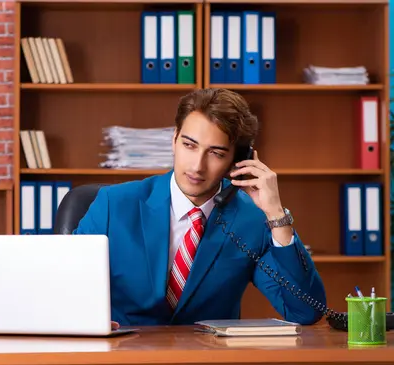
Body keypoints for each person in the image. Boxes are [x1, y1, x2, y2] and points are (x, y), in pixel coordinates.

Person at [73, 88, 327, 327]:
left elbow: (304, 311)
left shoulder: (253, 221)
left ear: (238, 161)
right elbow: (66, 289)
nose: (197, 166)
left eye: (215, 153)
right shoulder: (113, 204)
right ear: (174, 139)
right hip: (122, 360)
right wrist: (86, 321)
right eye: (189, 145)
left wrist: (276, 215)